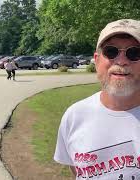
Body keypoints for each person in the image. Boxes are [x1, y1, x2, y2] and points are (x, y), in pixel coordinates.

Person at [54, 19, 140, 179]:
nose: (121, 61)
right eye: (111, 52)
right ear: (97, 59)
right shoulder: (74, 116)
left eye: (134, 53)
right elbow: (77, 171)